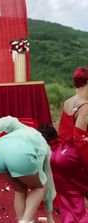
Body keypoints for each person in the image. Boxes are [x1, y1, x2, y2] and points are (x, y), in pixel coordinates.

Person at [0, 116, 56, 223]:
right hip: (20, 154)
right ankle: (25, 220)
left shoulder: (25, 129)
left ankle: (22, 220)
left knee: (20, 189)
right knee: (40, 187)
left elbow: (9, 121)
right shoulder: (45, 146)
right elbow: (47, 180)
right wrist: (49, 216)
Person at [50, 66, 88, 223]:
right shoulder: (85, 106)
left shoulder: (68, 102)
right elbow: (80, 140)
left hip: (58, 156)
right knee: (79, 206)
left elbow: (62, 130)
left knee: (69, 204)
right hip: (74, 157)